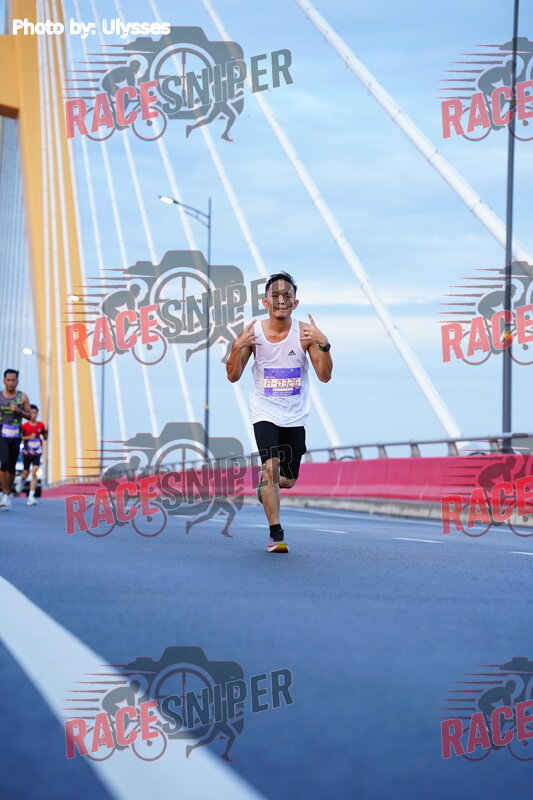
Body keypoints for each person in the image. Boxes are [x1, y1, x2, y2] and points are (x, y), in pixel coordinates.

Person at [226, 272, 332, 552]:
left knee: (288, 480)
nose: (281, 300)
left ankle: (266, 485)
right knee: (270, 468)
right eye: (275, 296)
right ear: (265, 302)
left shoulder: (306, 334)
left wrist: (324, 343)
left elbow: (324, 376)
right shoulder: (253, 334)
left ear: (295, 303)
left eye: (287, 296)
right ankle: (276, 534)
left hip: (294, 416)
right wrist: (237, 346)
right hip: (264, 412)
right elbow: (233, 376)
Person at [0, 369, 32, 510]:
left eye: (13, 380)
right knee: (4, 463)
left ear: (17, 382)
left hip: (15, 436)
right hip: (2, 435)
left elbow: (30, 416)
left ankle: (7, 494)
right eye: (8, 380)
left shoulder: (22, 397)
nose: (11, 383)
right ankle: (4, 493)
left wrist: (19, 411)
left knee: (11, 466)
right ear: (4, 381)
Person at [18, 404, 47, 506]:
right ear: (28, 414)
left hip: (37, 452)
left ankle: (31, 496)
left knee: (34, 472)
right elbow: (19, 437)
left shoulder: (41, 425)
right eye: (32, 413)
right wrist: (29, 437)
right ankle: (21, 481)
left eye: (35, 413)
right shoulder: (24, 426)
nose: (34, 415)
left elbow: (45, 436)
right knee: (26, 473)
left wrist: (46, 432)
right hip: (27, 452)